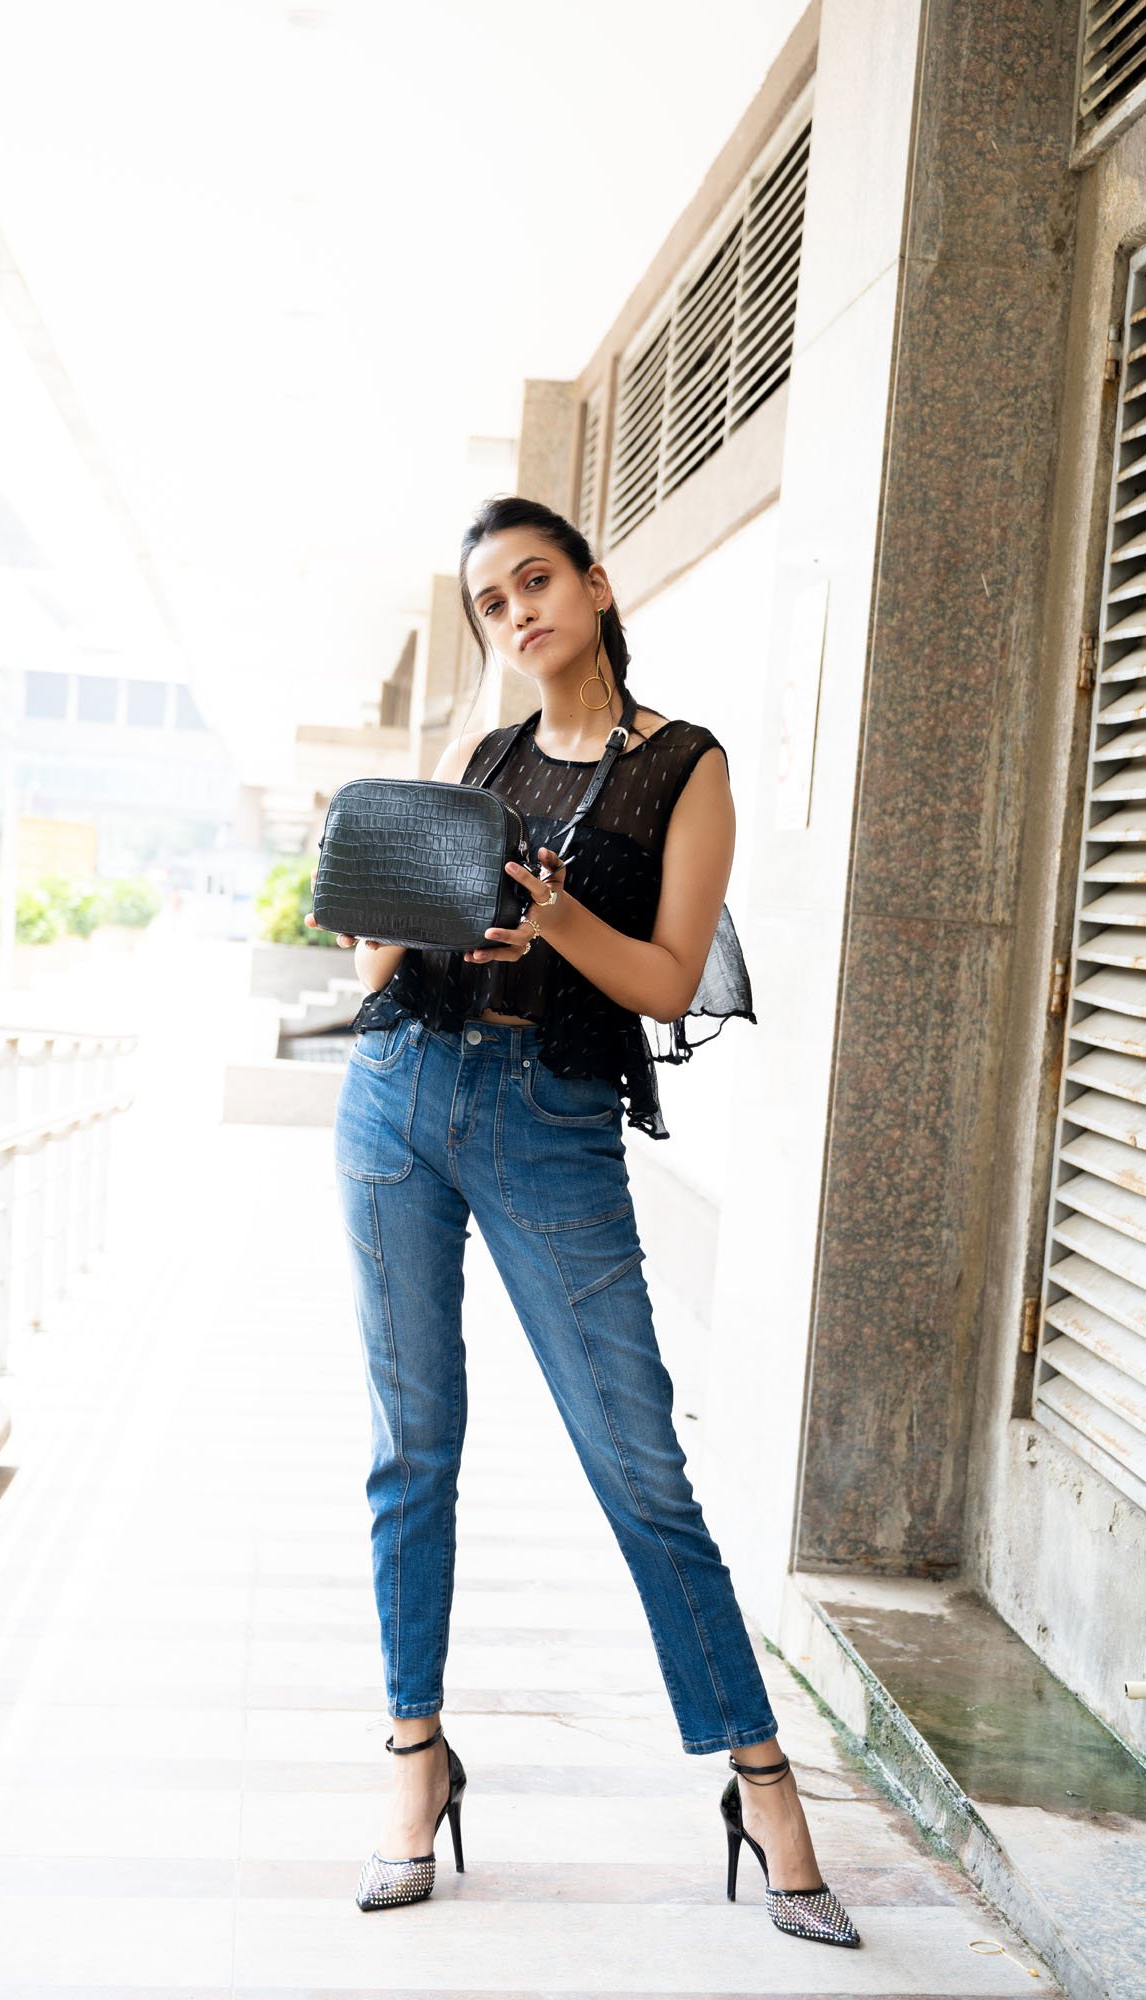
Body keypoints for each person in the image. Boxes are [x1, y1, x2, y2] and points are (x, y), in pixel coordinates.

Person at [307, 495, 860, 1948]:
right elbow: (380, 963)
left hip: (550, 1127)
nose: (518, 613)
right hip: (398, 1098)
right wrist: (374, 905)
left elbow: (669, 980)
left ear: (597, 586)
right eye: (491, 603)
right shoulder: (481, 760)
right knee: (410, 1449)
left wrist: (553, 920)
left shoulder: (685, 765)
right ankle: (414, 1758)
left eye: (536, 580)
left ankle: (760, 1780)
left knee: (639, 1466)